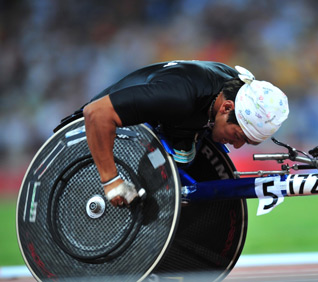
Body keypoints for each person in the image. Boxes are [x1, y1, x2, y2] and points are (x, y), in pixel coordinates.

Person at [82, 60, 289, 207]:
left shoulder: (235, 87)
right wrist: (111, 181)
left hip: (150, 128)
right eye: (239, 136)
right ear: (226, 108)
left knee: (184, 159)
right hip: (89, 140)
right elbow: (95, 114)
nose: (236, 146)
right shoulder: (179, 97)